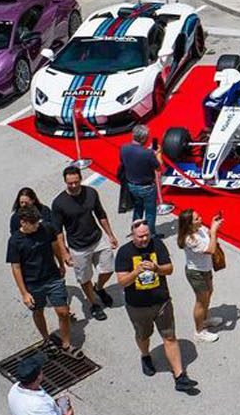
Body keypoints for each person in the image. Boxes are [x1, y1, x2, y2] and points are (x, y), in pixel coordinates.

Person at [115, 219, 196, 392]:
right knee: (143, 335)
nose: (144, 239)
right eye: (140, 236)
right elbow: (122, 281)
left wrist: (156, 268)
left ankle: (180, 376)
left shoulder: (157, 245)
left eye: (146, 235)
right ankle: (145, 356)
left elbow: (169, 269)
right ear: (132, 235)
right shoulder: (124, 252)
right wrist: (136, 271)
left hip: (161, 302)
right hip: (138, 306)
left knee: (170, 336)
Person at [52, 165, 118, 321]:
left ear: (80, 179)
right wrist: (64, 253)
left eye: (76, 182)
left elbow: (100, 214)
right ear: (65, 182)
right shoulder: (59, 203)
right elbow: (58, 231)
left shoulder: (91, 193)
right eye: (70, 183)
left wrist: (110, 235)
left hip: (97, 239)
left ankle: (99, 288)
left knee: (108, 269)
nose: (73, 186)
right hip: (78, 247)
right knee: (84, 278)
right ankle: (94, 303)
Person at [8, 205, 76, 353]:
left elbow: (54, 246)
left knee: (63, 312)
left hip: (53, 277)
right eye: (33, 224)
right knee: (38, 311)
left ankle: (66, 344)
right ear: (23, 222)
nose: (37, 226)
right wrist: (24, 293)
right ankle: (46, 339)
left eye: (37, 222)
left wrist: (61, 264)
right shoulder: (15, 241)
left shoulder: (46, 229)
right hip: (33, 283)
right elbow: (16, 268)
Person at [176, 208, 223, 343]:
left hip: (205, 269)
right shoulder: (189, 239)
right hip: (196, 273)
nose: (200, 219)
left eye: (199, 216)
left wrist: (212, 229)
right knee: (201, 301)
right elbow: (211, 249)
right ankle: (199, 331)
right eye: (196, 219)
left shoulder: (200, 229)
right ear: (189, 224)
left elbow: (209, 238)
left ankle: (205, 320)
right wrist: (214, 231)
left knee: (209, 294)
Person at [118, 125, 162, 233]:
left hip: (131, 185)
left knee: (138, 209)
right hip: (147, 187)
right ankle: (150, 234)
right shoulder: (148, 153)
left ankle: (136, 230)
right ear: (144, 138)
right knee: (150, 212)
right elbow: (158, 167)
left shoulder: (124, 148)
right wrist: (158, 154)